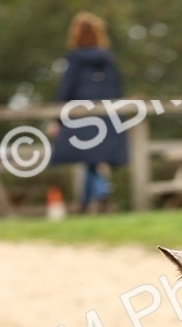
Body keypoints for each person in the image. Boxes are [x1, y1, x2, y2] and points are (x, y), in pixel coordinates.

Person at [48, 12, 128, 212]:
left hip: (82, 116)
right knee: (93, 160)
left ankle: (98, 194)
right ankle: (87, 202)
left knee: (89, 159)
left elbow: (66, 90)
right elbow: (118, 88)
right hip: (109, 114)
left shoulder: (75, 60)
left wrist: (58, 119)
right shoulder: (109, 59)